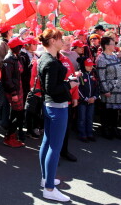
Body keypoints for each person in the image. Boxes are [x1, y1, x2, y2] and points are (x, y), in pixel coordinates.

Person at [38, 28, 76, 203]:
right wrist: (71, 84)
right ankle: (49, 189)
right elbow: (53, 88)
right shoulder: (51, 62)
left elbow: (50, 86)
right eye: (60, 38)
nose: (64, 41)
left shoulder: (46, 58)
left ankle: (47, 180)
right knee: (54, 147)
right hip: (56, 107)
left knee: (48, 143)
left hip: (49, 105)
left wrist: (67, 82)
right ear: (52, 41)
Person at [96, 36, 121, 140]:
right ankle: (105, 129)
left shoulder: (114, 56)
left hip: (119, 88)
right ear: (106, 46)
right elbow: (101, 76)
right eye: (113, 44)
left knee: (115, 111)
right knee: (107, 110)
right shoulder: (101, 59)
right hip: (109, 89)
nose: (115, 46)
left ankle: (114, 129)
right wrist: (105, 90)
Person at [1, 36, 27, 148]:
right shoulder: (9, 59)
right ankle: (9, 137)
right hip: (14, 91)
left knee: (17, 113)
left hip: (19, 89)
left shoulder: (17, 57)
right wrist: (13, 93)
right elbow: (7, 78)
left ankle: (11, 136)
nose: (21, 47)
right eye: (19, 46)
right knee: (16, 114)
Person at [0, 25, 14, 137]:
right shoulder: (1, 44)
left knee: (7, 103)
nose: (12, 31)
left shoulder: (7, 43)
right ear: (8, 31)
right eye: (11, 29)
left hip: (8, 78)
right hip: (2, 78)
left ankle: (4, 124)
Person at [76, 57, 99, 142]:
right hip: (83, 102)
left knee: (90, 118)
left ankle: (90, 133)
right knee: (82, 118)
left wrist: (94, 97)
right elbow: (78, 89)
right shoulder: (80, 75)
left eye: (91, 65)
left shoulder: (93, 75)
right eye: (88, 65)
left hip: (92, 101)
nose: (90, 67)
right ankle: (82, 134)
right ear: (83, 65)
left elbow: (97, 87)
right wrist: (85, 98)